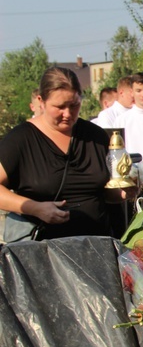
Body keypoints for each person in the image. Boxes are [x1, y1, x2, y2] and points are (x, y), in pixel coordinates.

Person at [0, 67, 130, 239]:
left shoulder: (96, 136)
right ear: (41, 101)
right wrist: (35, 208)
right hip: (41, 253)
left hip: (98, 249)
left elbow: (105, 193)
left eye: (74, 105)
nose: (68, 114)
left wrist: (124, 192)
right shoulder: (20, 139)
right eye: (60, 107)